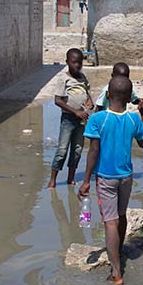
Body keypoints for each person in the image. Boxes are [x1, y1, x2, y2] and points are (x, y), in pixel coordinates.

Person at [77, 75, 143, 285]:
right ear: (129, 98)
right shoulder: (133, 119)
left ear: (108, 95)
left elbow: (93, 151)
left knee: (110, 223)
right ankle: (118, 251)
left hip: (106, 179)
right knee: (121, 215)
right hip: (126, 177)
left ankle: (116, 272)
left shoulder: (98, 119)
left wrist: (86, 181)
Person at [48, 48, 92, 188]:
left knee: (77, 149)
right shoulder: (64, 79)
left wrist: (89, 102)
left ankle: (71, 178)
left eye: (80, 63)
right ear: (67, 62)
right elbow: (58, 100)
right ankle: (53, 179)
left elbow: (88, 94)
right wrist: (75, 111)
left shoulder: (83, 78)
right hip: (68, 119)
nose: (77, 65)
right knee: (62, 149)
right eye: (74, 62)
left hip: (81, 120)